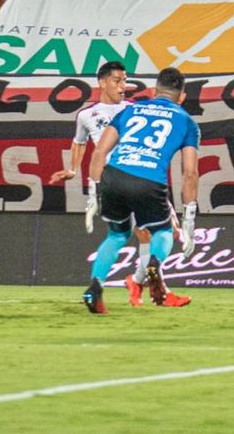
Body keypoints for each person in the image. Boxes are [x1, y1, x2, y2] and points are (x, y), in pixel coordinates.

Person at [49, 61, 189, 308]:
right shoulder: (86, 115)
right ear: (102, 82)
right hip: (115, 179)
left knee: (143, 234)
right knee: (154, 232)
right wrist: (73, 169)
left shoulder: (134, 109)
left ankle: (137, 285)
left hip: (137, 175)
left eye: (125, 80)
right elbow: (80, 143)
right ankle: (150, 288)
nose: (123, 86)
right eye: (117, 80)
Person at [83, 67, 200, 314]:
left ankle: (94, 287)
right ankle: (154, 265)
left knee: (116, 235)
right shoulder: (187, 122)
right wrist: (189, 219)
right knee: (163, 231)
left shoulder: (130, 109)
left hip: (113, 176)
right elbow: (189, 172)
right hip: (149, 180)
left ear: (154, 91)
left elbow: (99, 152)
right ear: (182, 97)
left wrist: (93, 195)